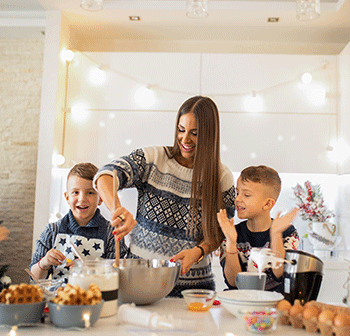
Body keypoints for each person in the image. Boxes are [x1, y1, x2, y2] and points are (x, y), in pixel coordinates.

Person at [94, 96, 236, 296]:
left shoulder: (222, 177)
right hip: (140, 283)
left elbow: (221, 232)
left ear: (210, 135)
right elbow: (107, 174)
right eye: (181, 130)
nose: (185, 139)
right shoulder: (153, 159)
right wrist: (116, 208)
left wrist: (198, 252)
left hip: (193, 292)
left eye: (195, 133)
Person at [30, 162, 127, 280]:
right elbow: (33, 278)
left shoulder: (112, 232)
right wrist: (44, 262)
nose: (82, 199)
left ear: (101, 198)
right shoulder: (52, 230)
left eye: (90, 192)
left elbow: (118, 277)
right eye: (75, 192)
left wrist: (90, 269)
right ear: (67, 197)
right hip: (59, 297)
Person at [217, 165, 299, 293]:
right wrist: (231, 242)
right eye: (237, 193)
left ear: (267, 204)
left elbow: (280, 275)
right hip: (239, 304)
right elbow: (233, 282)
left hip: (273, 307)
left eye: (247, 195)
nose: (237, 199)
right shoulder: (232, 233)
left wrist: (276, 235)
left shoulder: (287, 233)